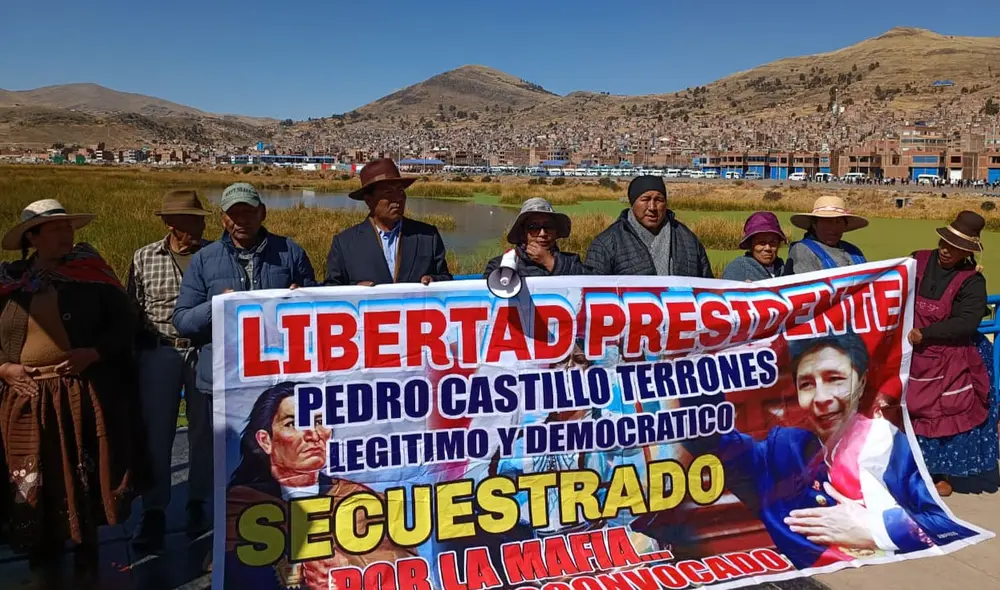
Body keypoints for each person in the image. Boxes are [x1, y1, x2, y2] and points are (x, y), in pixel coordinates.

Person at [714, 332, 978, 570]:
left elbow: (941, 524)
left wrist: (873, 529)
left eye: (835, 379)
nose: (821, 397)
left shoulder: (884, 442)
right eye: (806, 384)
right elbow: (716, 442)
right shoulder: (784, 446)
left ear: (861, 383)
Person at [173, 182, 316, 557]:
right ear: (223, 218)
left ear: (262, 213)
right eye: (234, 214)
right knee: (213, 454)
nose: (242, 220)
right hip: (221, 380)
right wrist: (216, 306)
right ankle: (206, 521)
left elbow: (319, 310)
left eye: (249, 212)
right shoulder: (205, 260)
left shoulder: (290, 252)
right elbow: (183, 320)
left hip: (273, 380)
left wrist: (302, 299)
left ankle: (273, 526)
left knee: (269, 456)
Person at [0, 200, 143, 569]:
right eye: (55, 229)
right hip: (27, 396)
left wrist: (92, 353)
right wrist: (4, 368)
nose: (66, 235)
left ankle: (85, 543)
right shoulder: (9, 280)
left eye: (68, 228)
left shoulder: (90, 274)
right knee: (34, 470)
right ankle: (40, 544)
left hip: (78, 390)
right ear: (32, 238)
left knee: (82, 466)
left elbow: (126, 323)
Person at [225, 383, 416, 590]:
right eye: (293, 423)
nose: (313, 434)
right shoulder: (240, 504)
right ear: (265, 440)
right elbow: (228, 571)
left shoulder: (363, 502)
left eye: (319, 422)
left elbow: (406, 565)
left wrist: (348, 570)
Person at [126, 189, 211, 551]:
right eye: (192, 221)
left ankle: (198, 501)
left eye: (200, 220)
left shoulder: (214, 255)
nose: (200, 227)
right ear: (172, 224)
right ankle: (154, 510)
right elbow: (133, 307)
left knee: (204, 432)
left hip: (204, 351)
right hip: (160, 352)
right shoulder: (144, 257)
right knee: (157, 433)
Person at [906, 211, 998, 497]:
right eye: (945, 243)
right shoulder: (916, 260)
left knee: (944, 413)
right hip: (913, 352)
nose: (946, 250)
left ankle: (939, 474)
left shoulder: (972, 282)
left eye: (956, 247)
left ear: (968, 252)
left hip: (950, 354)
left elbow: (967, 321)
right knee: (909, 410)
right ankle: (909, 468)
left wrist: (927, 333)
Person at [325, 158, 452, 286]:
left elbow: (445, 278)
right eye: (388, 192)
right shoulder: (344, 244)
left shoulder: (428, 236)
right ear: (369, 201)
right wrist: (354, 291)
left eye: (400, 191)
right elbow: (331, 288)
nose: (398, 198)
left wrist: (434, 281)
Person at [585, 175, 713, 278]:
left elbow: (706, 286)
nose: (652, 207)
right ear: (632, 202)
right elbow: (593, 290)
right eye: (645, 199)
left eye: (659, 200)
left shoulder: (688, 239)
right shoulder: (607, 243)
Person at [482, 197, 587, 278]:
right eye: (533, 227)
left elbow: (589, 282)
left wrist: (549, 262)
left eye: (548, 226)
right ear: (522, 234)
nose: (542, 233)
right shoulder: (499, 266)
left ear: (556, 232)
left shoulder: (572, 261)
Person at [785, 196, 868, 274]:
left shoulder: (854, 252)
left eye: (838, 222)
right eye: (827, 221)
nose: (833, 228)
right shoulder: (802, 250)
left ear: (845, 226)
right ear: (814, 225)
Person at [722, 211, 788, 281]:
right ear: (751, 244)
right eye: (761, 243)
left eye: (773, 242)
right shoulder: (737, 269)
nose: (768, 248)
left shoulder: (784, 269)